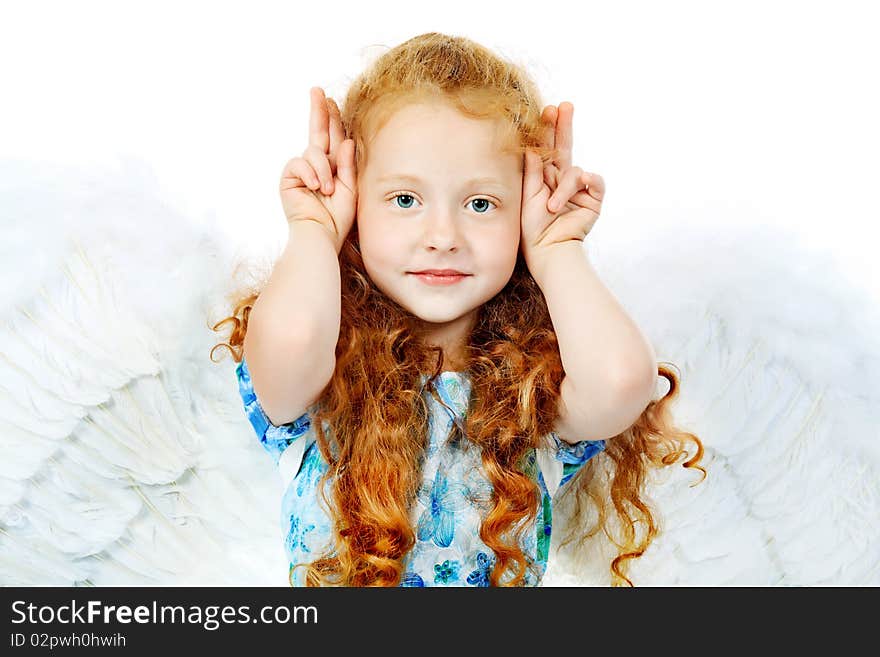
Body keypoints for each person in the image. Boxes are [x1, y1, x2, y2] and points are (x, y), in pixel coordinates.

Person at [211, 32, 705, 587]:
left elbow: (621, 381)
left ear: (521, 208)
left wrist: (556, 249)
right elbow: (294, 337)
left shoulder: (530, 396)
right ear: (355, 205)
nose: (443, 236)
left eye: (480, 203)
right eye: (404, 200)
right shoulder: (324, 384)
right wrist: (315, 231)